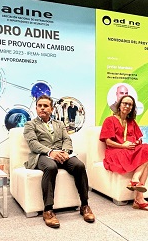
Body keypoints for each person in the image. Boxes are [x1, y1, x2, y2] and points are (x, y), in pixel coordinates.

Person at [23, 95, 95, 228]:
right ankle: (48, 210)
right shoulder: (30, 125)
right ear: (36, 108)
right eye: (40, 106)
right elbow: (33, 143)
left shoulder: (60, 124)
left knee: (79, 165)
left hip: (61, 153)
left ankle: (84, 205)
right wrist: (51, 152)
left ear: (51, 108)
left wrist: (65, 152)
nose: (42, 108)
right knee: (50, 167)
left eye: (46, 106)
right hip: (42, 155)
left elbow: (67, 139)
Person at [100, 95, 148, 211]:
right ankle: (139, 198)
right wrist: (122, 145)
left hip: (129, 150)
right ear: (119, 105)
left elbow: (138, 138)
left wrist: (137, 142)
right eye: (125, 103)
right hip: (115, 151)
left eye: (130, 105)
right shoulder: (109, 120)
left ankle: (136, 183)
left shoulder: (131, 121)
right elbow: (108, 142)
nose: (127, 106)